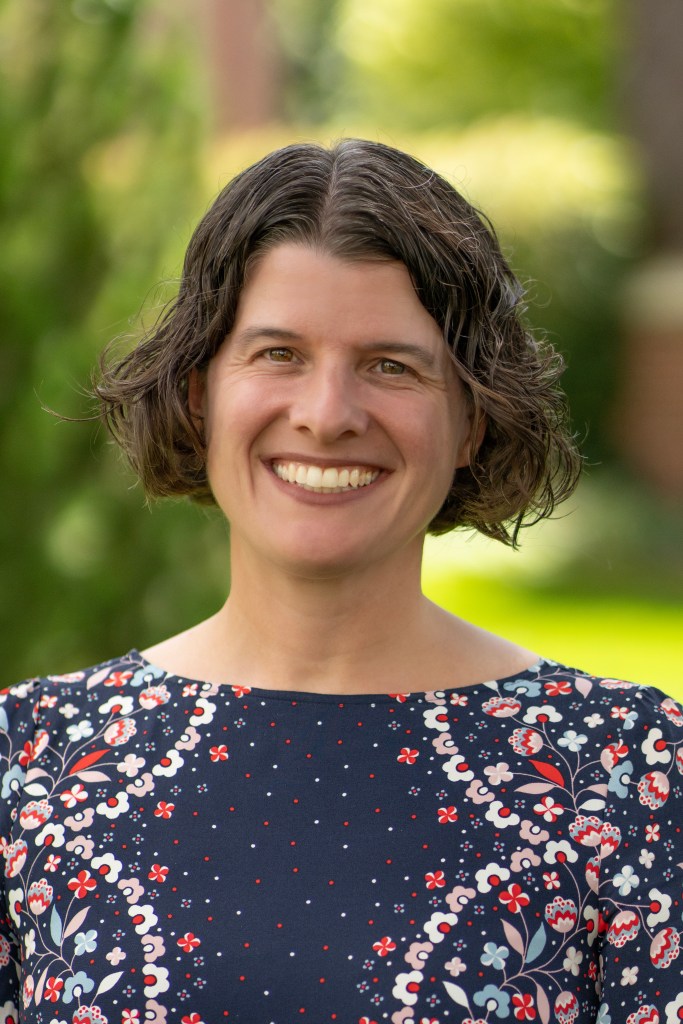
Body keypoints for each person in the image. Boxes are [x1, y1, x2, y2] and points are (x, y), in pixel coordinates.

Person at [1, 139, 681, 1024]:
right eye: (278, 354)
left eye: (390, 366)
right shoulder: (33, 764)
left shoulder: (627, 774)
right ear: (201, 392)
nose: (326, 415)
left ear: (472, 419)